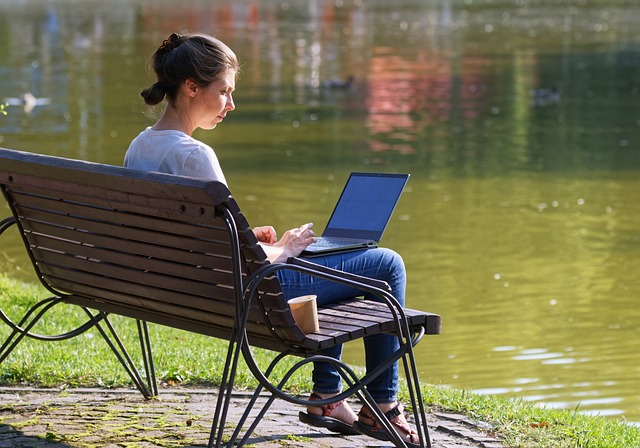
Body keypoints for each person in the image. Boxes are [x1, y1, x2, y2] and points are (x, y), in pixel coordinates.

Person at [124, 32, 420, 447]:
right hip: (240, 295)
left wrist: (252, 237)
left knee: (332, 264)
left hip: (185, 290)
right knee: (385, 265)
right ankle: (381, 406)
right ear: (191, 87)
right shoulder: (194, 155)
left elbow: (202, 240)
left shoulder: (140, 147)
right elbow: (233, 258)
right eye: (224, 91)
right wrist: (284, 249)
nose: (231, 104)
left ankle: (329, 396)